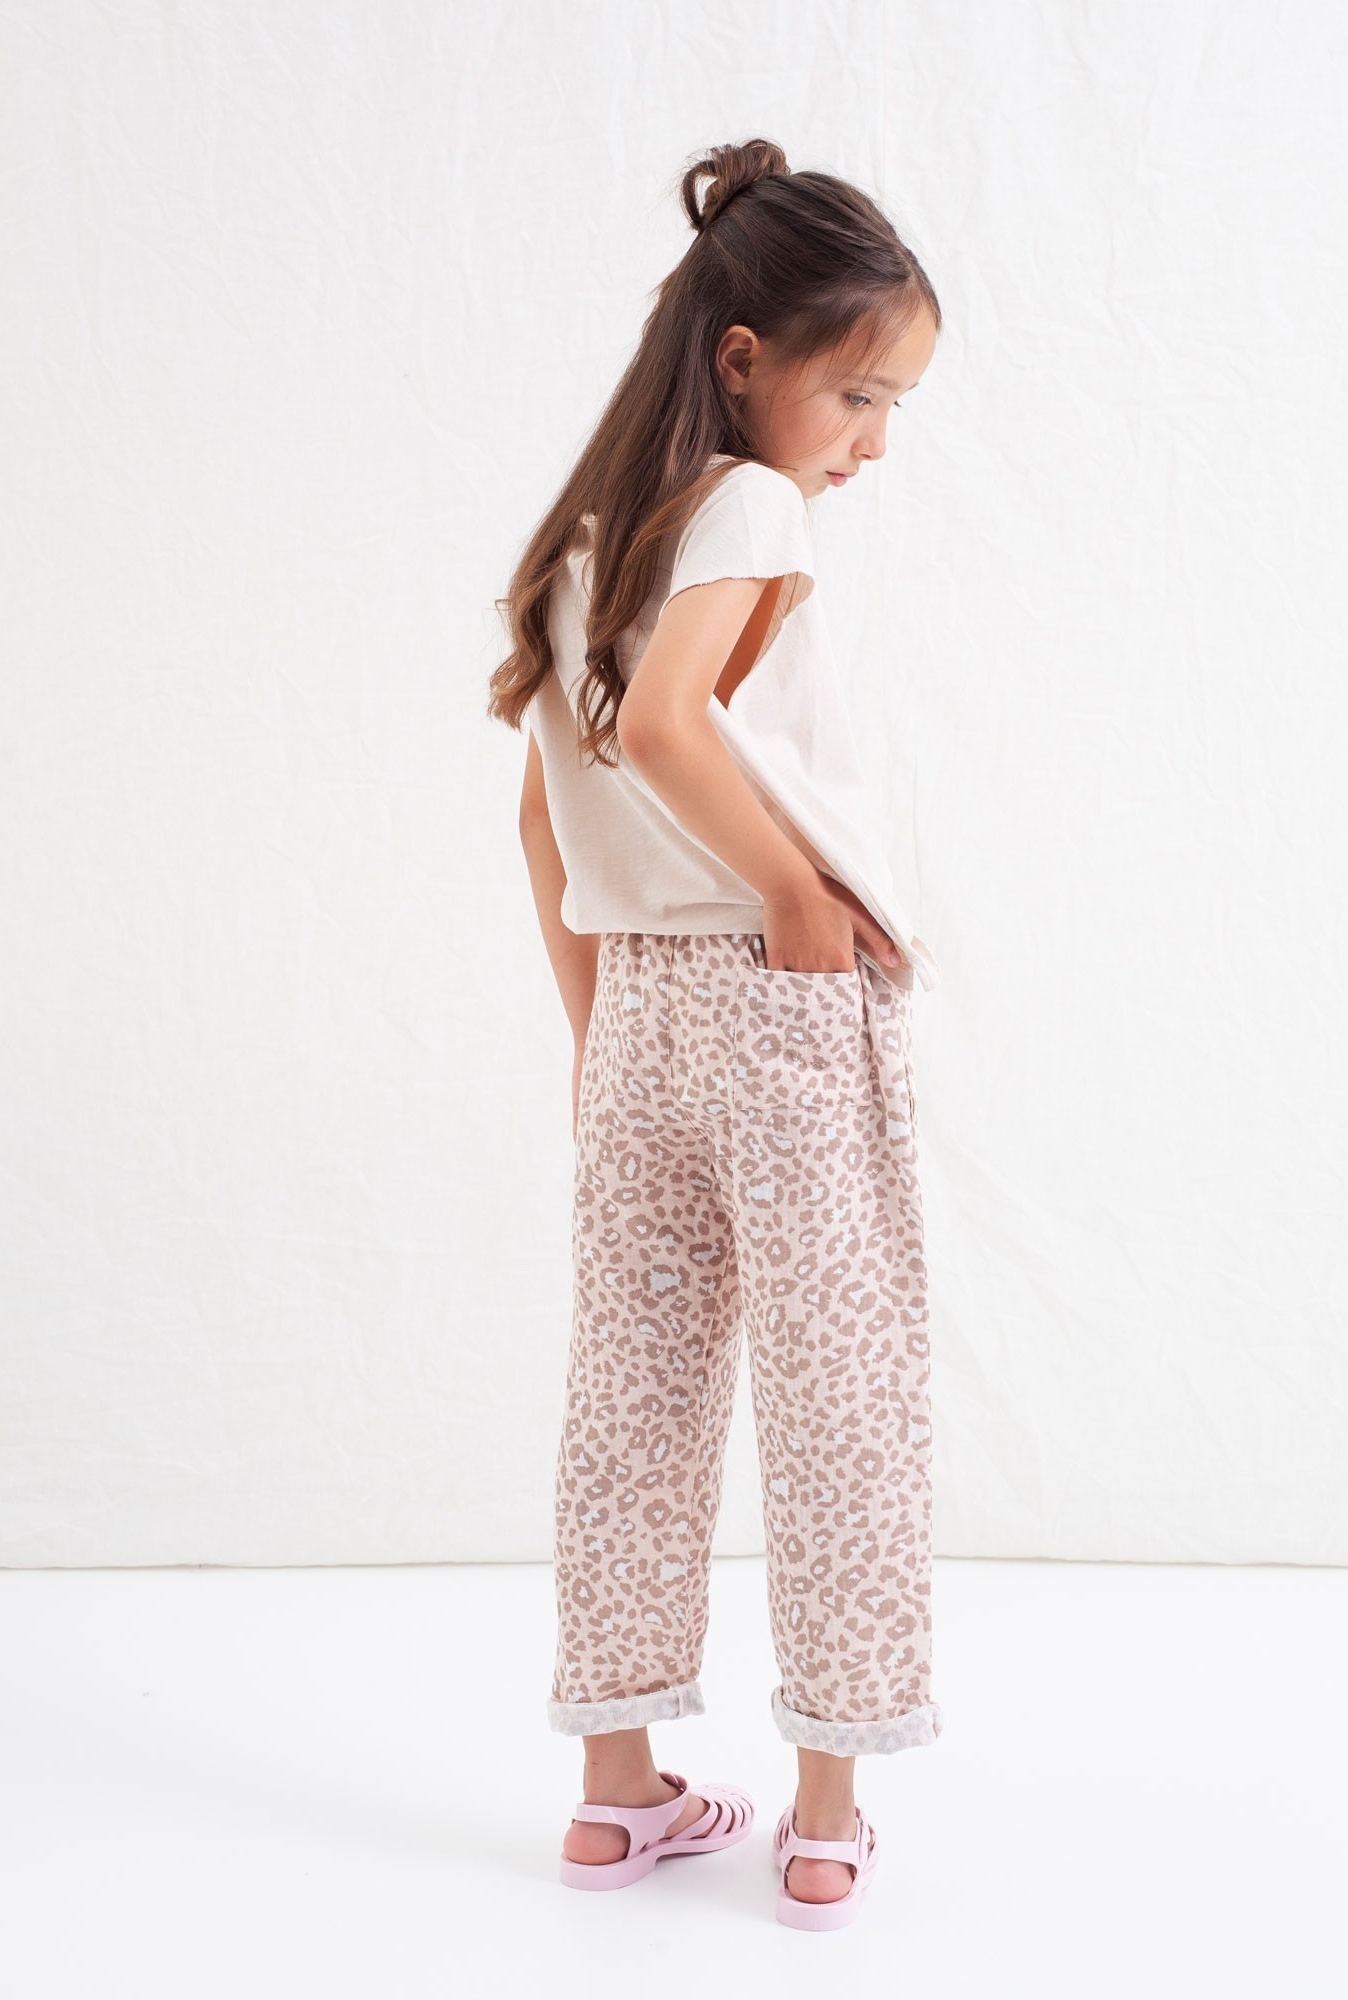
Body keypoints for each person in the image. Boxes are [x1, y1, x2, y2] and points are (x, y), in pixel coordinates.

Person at [489, 137, 943, 1932]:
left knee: (635, 1398)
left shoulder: (583, 543)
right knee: (840, 1397)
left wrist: (592, 1032)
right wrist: (796, 904)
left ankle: (617, 1795)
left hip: (639, 1018)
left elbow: (547, 816)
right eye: (861, 394)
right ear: (745, 357)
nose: (873, 444)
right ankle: (824, 1820)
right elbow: (674, 727)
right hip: (779, 995)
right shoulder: (748, 506)